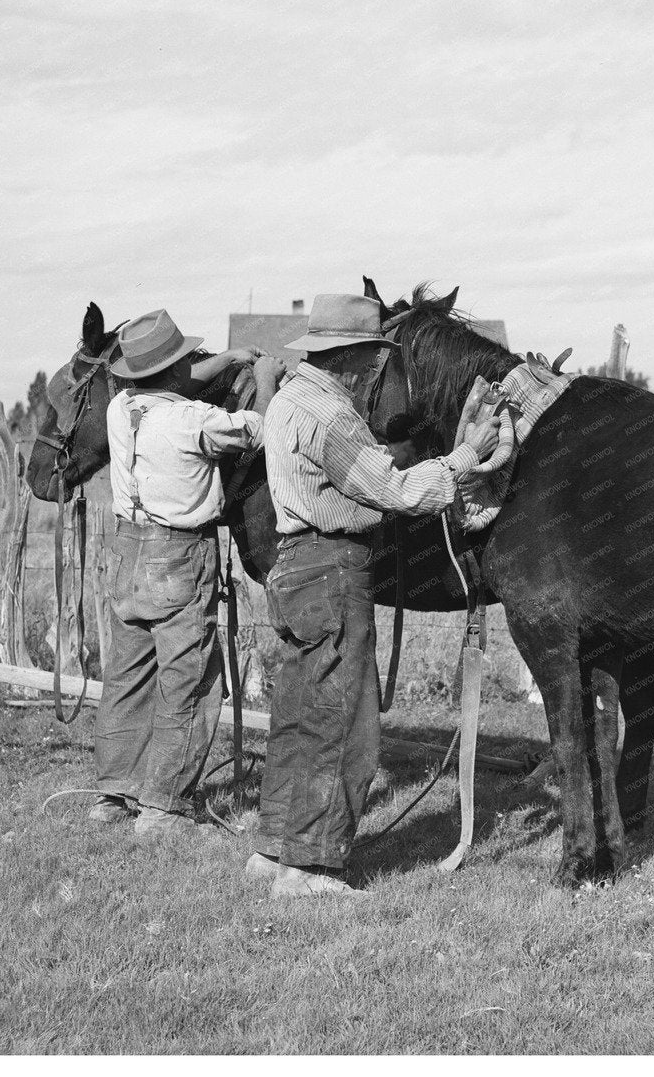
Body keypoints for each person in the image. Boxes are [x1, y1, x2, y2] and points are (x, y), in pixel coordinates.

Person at [250, 293, 503, 897]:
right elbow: (393, 491)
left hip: (294, 567)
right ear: (346, 355)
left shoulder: (289, 399)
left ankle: (277, 846)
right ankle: (313, 868)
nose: (372, 370)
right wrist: (465, 456)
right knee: (346, 723)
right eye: (369, 357)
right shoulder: (332, 414)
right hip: (332, 567)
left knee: (299, 715)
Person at [90, 307, 285, 840]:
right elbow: (262, 430)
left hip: (128, 552)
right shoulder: (194, 421)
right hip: (178, 556)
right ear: (176, 371)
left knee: (128, 676)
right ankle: (166, 808)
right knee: (191, 680)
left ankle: (115, 793)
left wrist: (226, 359)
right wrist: (264, 379)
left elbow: (172, 381)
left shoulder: (120, 407)